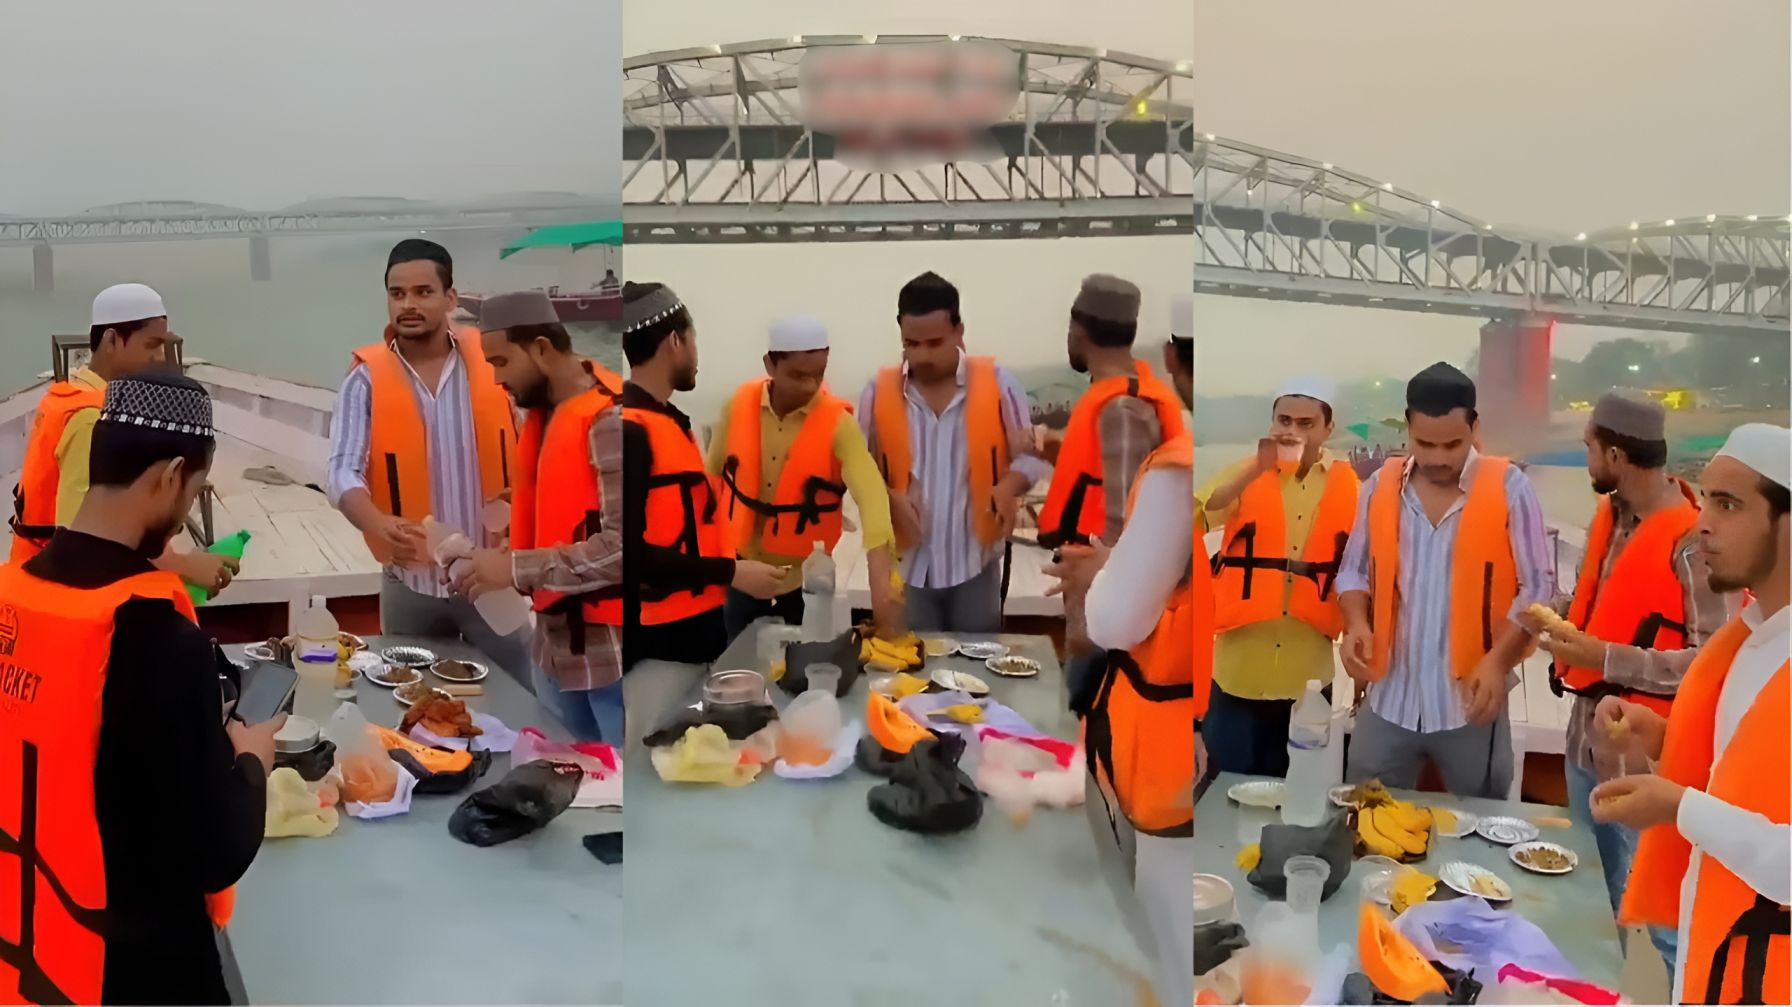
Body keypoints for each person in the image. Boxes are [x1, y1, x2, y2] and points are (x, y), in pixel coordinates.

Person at [0, 373, 277, 1005]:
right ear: (170, 476)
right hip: (134, 970)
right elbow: (215, 850)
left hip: (31, 952)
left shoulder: (9, 599)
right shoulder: (155, 635)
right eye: (195, 491)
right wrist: (252, 758)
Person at [1527, 393, 1726, 977]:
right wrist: (1550, 614)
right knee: (1587, 897)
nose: (1586, 456)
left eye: (1589, 446)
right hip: (1582, 743)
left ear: (1615, 454)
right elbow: (1602, 605)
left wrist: (1602, 655)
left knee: (1666, 924)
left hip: (1647, 765)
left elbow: (1706, 659)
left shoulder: (1692, 542)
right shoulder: (1611, 517)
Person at [1592, 423, 1789, 1006]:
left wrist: (1678, 806)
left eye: (1728, 505)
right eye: (1705, 500)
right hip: (1715, 951)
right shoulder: (1751, 640)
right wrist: (1663, 736)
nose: (1702, 522)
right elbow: (1749, 774)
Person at [1054, 295, 1197, 1007]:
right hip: (1202, 713)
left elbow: (1118, 608)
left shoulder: (1168, 461)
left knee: (1157, 926)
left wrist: (1091, 594)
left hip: (1160, 725)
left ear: (1174, 356)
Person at [1336, 362, 1554, 798]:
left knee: (1479, 826)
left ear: (1475, 427)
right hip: (1388, 698)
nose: (1437, 458)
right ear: (1408, 428)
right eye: (1424, 443)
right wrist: (1357, 624)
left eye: (1452, 444)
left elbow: (1539, 588)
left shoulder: (1511, 487)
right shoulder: (1379, 486)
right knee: (1364, 817)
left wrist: (1496, 663)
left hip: (1470, 704)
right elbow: (1352, 572)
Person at [326, 239, 534, 686]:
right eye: (397, 294)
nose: (409, 304)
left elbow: (536, 441)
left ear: (450, 298)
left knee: (526, 693)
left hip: (491, 575)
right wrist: (377, 523)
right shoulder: (365, 380)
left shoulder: (494, 362)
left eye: (423, 292)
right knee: (408, 699)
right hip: (410, 584)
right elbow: (341, 471)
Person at [452, 291, 626, 744]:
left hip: (611, 655)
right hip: (551, 651)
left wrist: (512, 568)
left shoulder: (612, 421)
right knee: (562, 773)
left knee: (619, 792)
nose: (496, 378)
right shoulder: (545, 413)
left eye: (502, 362)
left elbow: (623, 550)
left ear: (543, 349)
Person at [620, 282, 785, 750]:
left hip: (694, 643)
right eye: (692, 340)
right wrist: (734, 572)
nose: (695, 353)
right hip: (657, 653)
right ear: (675, 340)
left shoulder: (668, 421)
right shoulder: (633, 432)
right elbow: (628, 556)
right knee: (648, 767)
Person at [9, 283, 238, 595]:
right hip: (61, 590)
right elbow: (82, 538)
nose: (160, 357)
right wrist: (183, 566)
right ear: (111, 340)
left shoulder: (72, 394)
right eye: (151, 345)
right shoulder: (89, 417)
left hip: (38, 576)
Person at [859, 271, 1050, 634]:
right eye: (911, 344)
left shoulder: (1000, 385)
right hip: (907, 569)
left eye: (934, 342)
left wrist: (1011, 484)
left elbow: (1029, 456)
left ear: (959, 330)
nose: (922, 355)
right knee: (914, 673)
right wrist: (888, 498)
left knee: (978, 673)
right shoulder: (876, 392)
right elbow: (857, 469)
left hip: (975, 565)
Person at [1198, 376, 1358, 779]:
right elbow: (1201, 514)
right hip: (1238, 672)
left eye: (1306, 423)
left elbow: (1366, 569)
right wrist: (1256, 467)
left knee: (1296, 791)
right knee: (1221, 791)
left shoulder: (1350, 487)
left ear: (1327, 429)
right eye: (1284, 420)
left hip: (1306, 678)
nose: (1292, 431)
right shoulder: (1246, 473)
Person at [1041, 275, 1186, 712]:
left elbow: (1126, 524)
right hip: (1097, 601)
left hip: (1105, 619)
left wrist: (1091, 619)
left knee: (1083, 727)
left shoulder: (1122, 410)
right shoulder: (1123, 399)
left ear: (1078, 331)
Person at [707, 315, 900, 642]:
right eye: (797, 375)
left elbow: (872, 498)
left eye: (818, 374)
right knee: (735, 669)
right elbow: (709, 481)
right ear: (770, 364)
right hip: (739, 575)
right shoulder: (737, 405)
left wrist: (882, 583)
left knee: (800, 674)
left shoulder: (839, 425)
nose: (810, 386)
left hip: (802, 586)